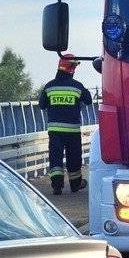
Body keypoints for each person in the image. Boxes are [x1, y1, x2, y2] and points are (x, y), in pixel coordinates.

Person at [38, 53, 91, 194]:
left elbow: (42, 105)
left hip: (55, 130)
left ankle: (57, 185)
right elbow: (89, 100)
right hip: (72, 130)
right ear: (71, 69)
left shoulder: (49, 86)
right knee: (74, 157)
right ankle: (75, 184)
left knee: (55, 157)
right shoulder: (77, 86)